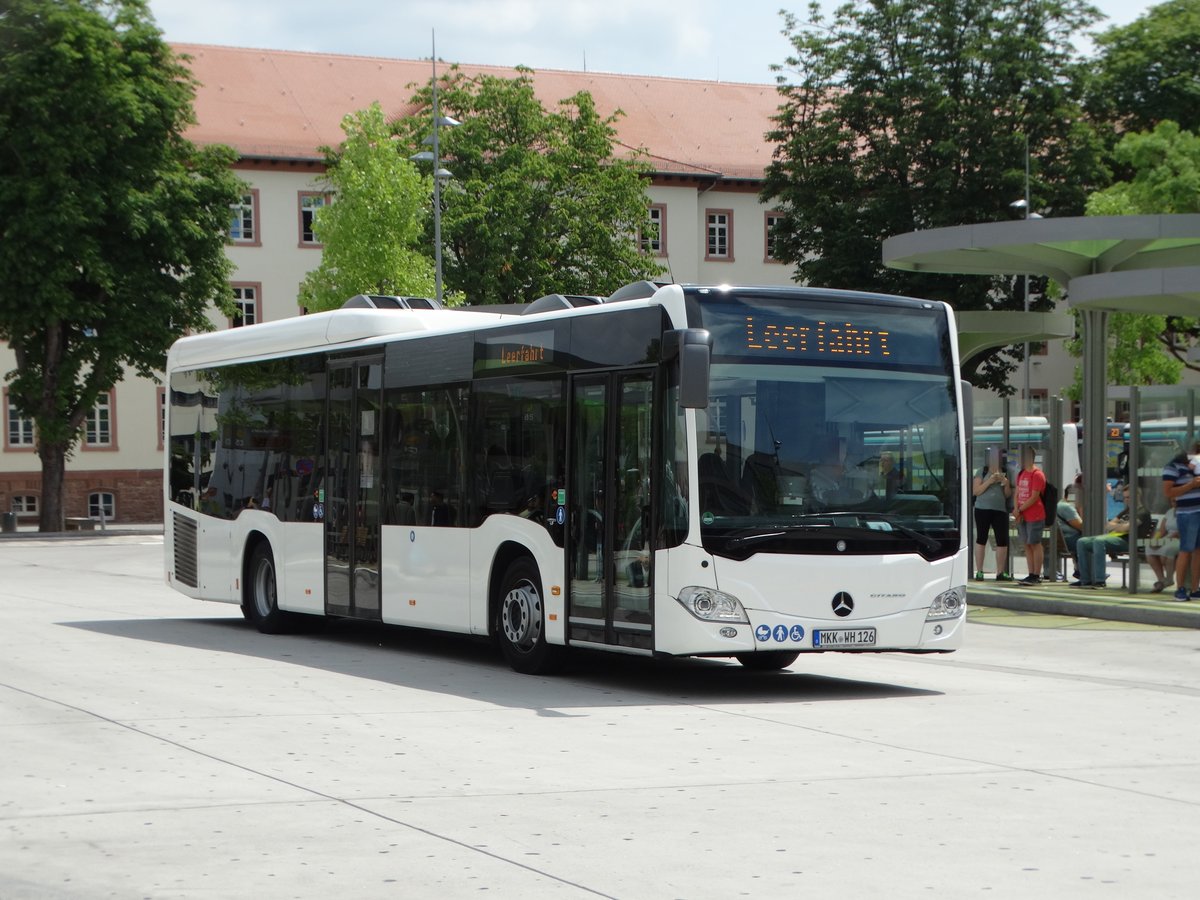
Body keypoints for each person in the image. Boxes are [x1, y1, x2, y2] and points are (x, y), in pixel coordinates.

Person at [1073, 483, 1144, 588]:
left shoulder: (1143, 512)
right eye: (1125, 498)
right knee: (1082, 542)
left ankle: (1100, 580)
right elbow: (1108, 526)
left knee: (1099, 541)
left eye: (1129, 497)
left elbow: (1127, 528)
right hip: (1115, 538)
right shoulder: (1126, 511)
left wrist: (1119, 525)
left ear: (1137, 496)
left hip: (1129, 541)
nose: (1127, 500)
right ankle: (1085, 579)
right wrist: (1121, 526)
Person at [1162, 440, 1200, 601]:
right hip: (1187, 513)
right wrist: (1191, 485)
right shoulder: (1173, 467)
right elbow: (1169, 492)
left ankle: (1195, 588)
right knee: (1186, 550)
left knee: (1198, 551)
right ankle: (1180, 588)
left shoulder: (1197, 464)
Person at [972, 448, 1012, 581]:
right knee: (981, 538)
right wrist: (989, 481)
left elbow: (1007, 495)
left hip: (1000, 510)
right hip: (982, 509)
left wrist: (1005, 483)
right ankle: (979, 571)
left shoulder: (1004, 472)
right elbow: (976, 491)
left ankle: (1000, 572)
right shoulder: (981, 471)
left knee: (1002, 540)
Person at [1013, 446, 1046, 584]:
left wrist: (1019, 510)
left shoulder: (1037, 474)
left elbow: (1034, 497)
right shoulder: (1021, 473)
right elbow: (1017, 493)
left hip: (1035, 514)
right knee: (1027, 544)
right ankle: (1030, 572)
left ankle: (1036, 574)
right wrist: (1016, 509)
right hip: (1022, 515)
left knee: (1035, 543)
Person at [1051, 478, 1085, 581]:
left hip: (1063, 540)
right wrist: (1081, 509)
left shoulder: (1060, 505)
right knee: (1089, 542)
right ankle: (1086, 572)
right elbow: (1081, 526)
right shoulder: (1067, 507)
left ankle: (1080, 570)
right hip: (1069, 540)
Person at [1146, 498, 1179, 593]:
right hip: (1168, 537)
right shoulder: (1169, 512)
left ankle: (1169, 579)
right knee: (1149, 548)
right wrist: (1155, 540)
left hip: (1180, 538)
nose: (1175, 503)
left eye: (1177, 501)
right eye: (1173, 501)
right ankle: (1161, 579)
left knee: (1167, 550)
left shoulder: (1186, 512)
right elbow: (1161, 530)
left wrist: (1171, 537)